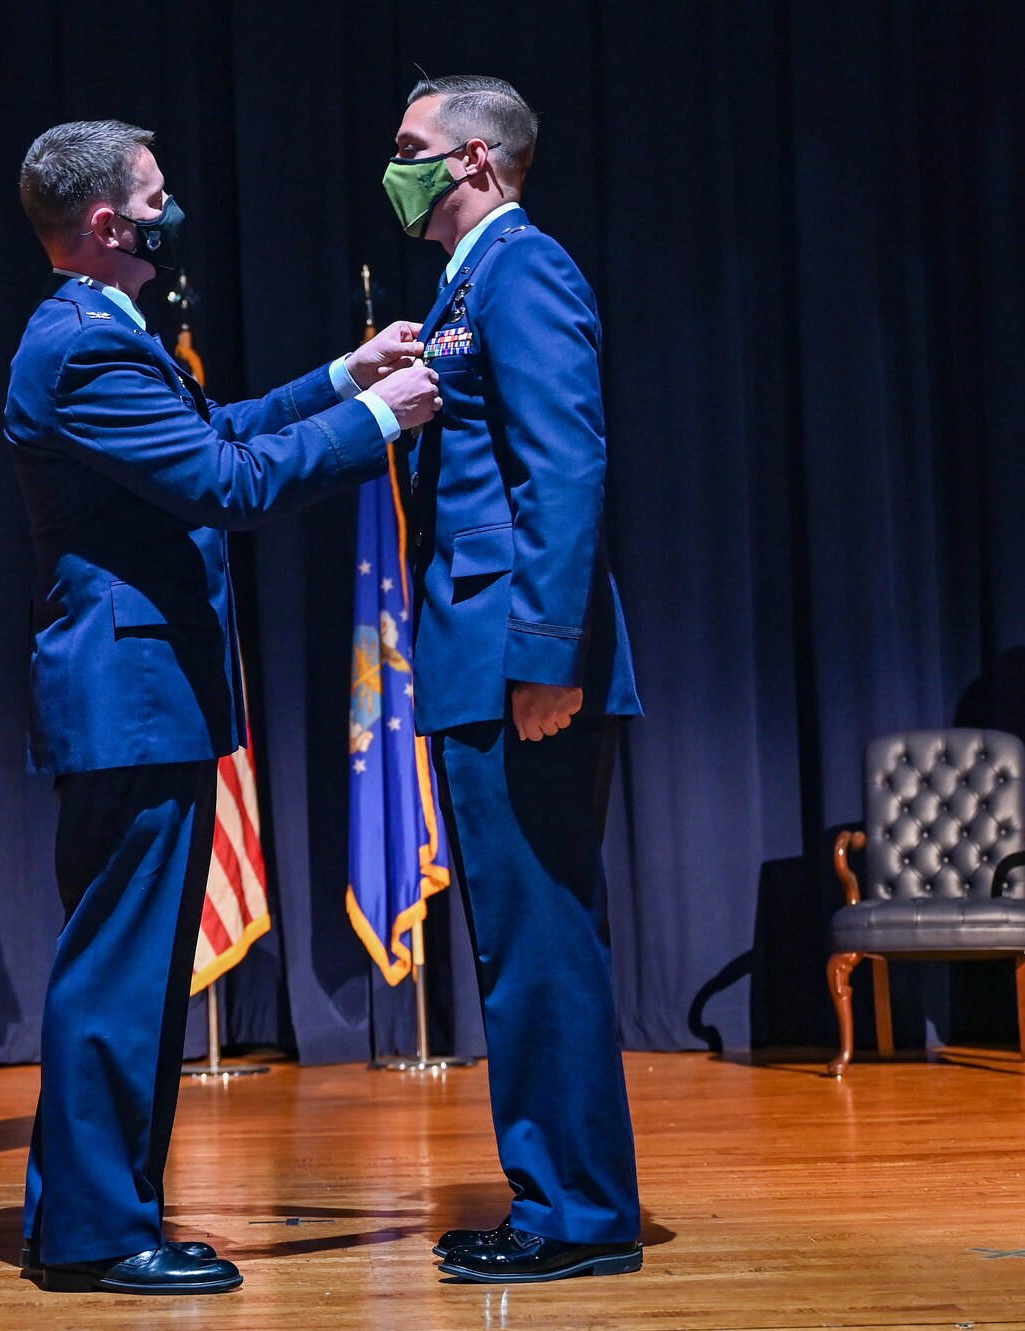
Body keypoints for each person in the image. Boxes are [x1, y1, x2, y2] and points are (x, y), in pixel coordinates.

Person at [6, 119, 441, 1295]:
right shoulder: (79, 348)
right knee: (118, 966)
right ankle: (96, 1233)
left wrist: (339, 380)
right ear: (106, 225)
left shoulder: (103, 330)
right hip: (127, 695)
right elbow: (223, 481)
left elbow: (211, 431)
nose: (170, 210)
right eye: (155, 195)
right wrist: (376, 424)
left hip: (149, 694)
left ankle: (94, 1212)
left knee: (134, 968)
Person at [383, 77, 646, 1284]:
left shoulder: (520, 269)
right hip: (472, 659)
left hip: (514, 668)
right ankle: (549, 1191)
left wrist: (546, 658)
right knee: (514, 940)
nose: (396, 170)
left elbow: (564, 468)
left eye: (412, 150)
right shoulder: (464, 279)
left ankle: (576, 1214)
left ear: (474, 159)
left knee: (538, 939)